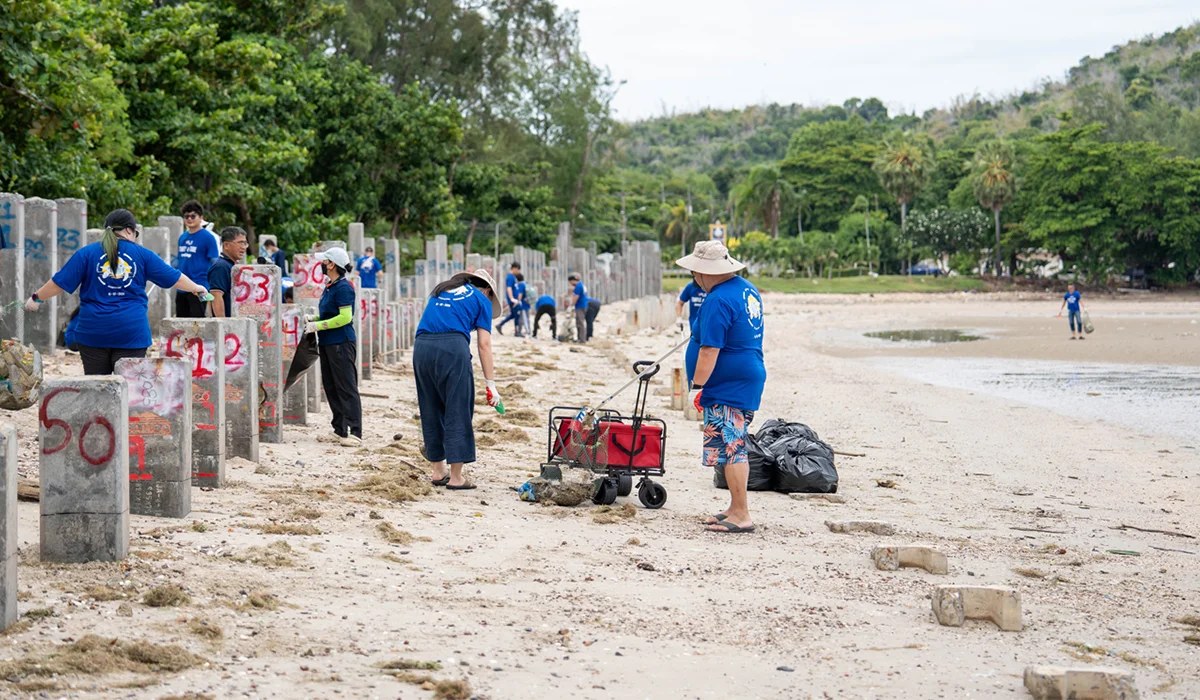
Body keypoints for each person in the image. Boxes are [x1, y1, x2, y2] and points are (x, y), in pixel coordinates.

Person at [25, 209, 211, 375]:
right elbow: (175, 278)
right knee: (130, 393)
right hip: (131, 333)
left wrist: (35, 298)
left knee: (97, 389)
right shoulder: (143, 254)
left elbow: (59, 283)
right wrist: (197, 288)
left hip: (93, 333)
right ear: (129, 230)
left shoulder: (86, 253)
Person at [677, 241, 766, 535]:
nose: (694, 277)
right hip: (747, 374)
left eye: (695, 272)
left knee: (734, 446)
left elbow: (709, 351)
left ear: (705, 272)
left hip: (729, 383)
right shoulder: (746, 288)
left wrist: (696, 387)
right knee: (729, 448)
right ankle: (732, 507)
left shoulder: (717, 299)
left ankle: (742, 513)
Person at [413, 269, 502, 490]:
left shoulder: (442, 290)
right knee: (458, 407)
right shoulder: (482, 299)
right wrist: (491, 384)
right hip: (452, 349)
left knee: (430, 407)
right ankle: (456, 477)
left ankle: (437, 470)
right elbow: (484, 345)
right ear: (488, 291)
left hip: (421, 347)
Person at [303, 247, 362, 447]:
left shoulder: (344, 288)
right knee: (331, 386)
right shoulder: (330, 286)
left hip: (341, 343)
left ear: (331, 264)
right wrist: (314, 319)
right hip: (328, 342)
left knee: (346, 386)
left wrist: (317, 325)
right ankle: (339, 429)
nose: (321, 264)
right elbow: (330, 314)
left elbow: (345, 317)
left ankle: (355, 432)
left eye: (324, 261)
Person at [175, 200, 218, 318]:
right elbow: (179, 260)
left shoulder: (208, 237)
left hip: (200, 286)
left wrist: (209, 283)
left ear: (201, 218)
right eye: (186, 216)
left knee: (198, 322)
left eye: (193, 216)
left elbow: (214, 261)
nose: (189, 219)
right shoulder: (182, 237)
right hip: (182, 286)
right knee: (180, 324)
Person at [208, 227, 248, 317]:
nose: (244, 247)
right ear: (226, 245)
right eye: (240, 243)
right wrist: (223, 324)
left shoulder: (232, 265)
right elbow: (216, 296)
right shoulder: (221, 266)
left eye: (245, 243)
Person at [495, 262, 523, 336]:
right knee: (516, 315)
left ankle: (500, 325)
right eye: (518, 269)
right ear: (514, 268)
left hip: (515, 300)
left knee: (513, 315)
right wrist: (512, 299)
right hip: (513, 300)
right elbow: (509, 288)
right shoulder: (510, 277)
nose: (518, 271)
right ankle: (517, 332)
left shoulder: (513, 277)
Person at [569, 273, 589, 343]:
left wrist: (571, 305)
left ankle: (582, 339)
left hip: (580, 306)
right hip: (583, 305)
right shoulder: (582, 285)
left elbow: (576, 297)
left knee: (580, 322)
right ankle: (580, 338)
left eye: (570, 282)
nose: (570, 284)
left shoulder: (578, 286)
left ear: (573, 280)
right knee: (579, 322)